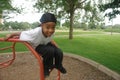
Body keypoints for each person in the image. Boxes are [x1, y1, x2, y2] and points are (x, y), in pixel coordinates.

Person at [4, 12, 67, 77]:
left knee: (59, 51)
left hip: (45, 44)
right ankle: (46, 68)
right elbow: (23, 33)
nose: (50, 30)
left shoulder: (52, 32)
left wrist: (54, 44)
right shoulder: (35, 32)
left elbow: (49, 39)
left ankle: (58, 65)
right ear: (42, 25)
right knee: (50, 50)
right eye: (47, 27)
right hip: (37, 46)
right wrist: (11, 34)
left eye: (53, 27)